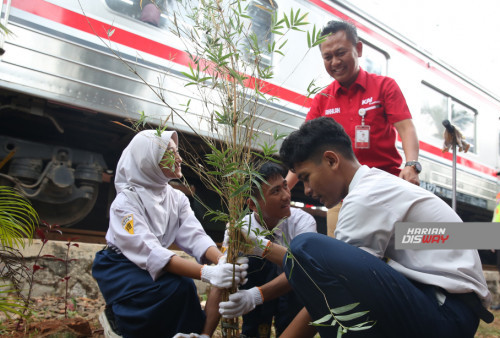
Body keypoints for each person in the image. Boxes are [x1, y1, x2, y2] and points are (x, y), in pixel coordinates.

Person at [240, 117, 492, 337]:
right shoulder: (379, 187)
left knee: (307, 247)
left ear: (331, 160)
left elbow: (321, 278)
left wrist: (261, 250)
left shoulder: (365, 198)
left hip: (444, 313)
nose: (306, 190)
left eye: (306, 177)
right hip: (452, 310)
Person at [92, 130, 247, 338]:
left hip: (152, 260)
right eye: (170, 153)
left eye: (177, 152)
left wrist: (221, 261)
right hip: (121, 266)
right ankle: (120, 321)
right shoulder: (125, 203)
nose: (179, 158)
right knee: (178, 288)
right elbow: (148, 249)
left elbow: (195, 235)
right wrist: (207, 273)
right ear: (149, 160)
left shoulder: (176, 198)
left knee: (182, 288)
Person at [286, 20, 420, 237]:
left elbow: (406, 128)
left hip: (386, 189)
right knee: (341, 262)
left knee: (398, 254)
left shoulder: (385, 86)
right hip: (343, 196)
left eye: (341, 53)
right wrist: (284, 187)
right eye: (327, 57)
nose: (335, 62)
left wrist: (412, 165)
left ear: (358, 49)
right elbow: (303, 150)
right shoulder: (322, 99)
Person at [210, 162, 317, 337]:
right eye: (275, 191)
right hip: (256, 305)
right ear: (252, 205)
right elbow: (225, 274)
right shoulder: (241, 229)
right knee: (245, 266)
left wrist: (254, 296)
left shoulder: (303, 222)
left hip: (291, 293)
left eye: (285, 187)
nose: (286, 196)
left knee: (300, 283)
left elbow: (303, 268)